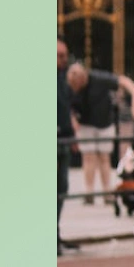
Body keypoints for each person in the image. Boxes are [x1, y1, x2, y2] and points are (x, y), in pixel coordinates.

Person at [66, 61, 134, 206]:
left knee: (104, 157)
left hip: (104, 122)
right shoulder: (70, 86)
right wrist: (73, 120)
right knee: (88, 157)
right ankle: (89, 192)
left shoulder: (98, 78)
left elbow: (123, 81)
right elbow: (69, 106)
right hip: (85, 124)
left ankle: (106, 192)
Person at [57, 37, 79, 255]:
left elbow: (66, 110)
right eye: (59, 56)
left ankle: (54, 235)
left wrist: (71, 135)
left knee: (61, 189)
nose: (64, 60)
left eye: (65, 55)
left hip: (63, 140)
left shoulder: (62, 79)